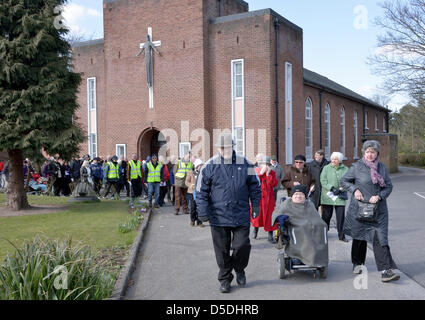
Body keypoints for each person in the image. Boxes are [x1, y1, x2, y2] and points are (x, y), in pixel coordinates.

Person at [196, 133, 261, 293]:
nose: (226, 149)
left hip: (241, 214)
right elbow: (201, 191)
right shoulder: (209, 165)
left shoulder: (246, 164)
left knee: (242, 245)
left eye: (229, 147)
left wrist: (257, 206)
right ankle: (225, 279)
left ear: (233, 147)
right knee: (222, 250)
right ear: (219, 148)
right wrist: (202, 211)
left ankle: (239, 269)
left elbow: (255, 187)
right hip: (218, 216)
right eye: (223, 147)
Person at [340, 140, 399, 282]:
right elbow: (344, 181)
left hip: (379, 210)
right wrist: (355, 190)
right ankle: (357, 263)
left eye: (373, 152)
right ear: (363, 153)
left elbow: (388, 187)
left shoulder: (382, 168)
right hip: (360, 208)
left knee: (380, 238)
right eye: (367, 151)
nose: (370, 154)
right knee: (359, 237)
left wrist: (379, 196)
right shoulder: (356, 167)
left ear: (377, 153)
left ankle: (386, 271)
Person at [271, 184, 329, 268]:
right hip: (295, 225)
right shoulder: (286, 204)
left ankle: (318, 256)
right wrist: (280, 217)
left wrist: (320, 225)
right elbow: (276, 214)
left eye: (301, 194)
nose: (298, 196)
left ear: (305, 196)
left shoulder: (309, 204)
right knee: (302, 229)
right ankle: (299, 256)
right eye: (296, 194)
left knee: (322, 227)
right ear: (292, 196)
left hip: (311, 225)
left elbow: (316, 217)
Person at [320, 152, 349, 242]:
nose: (333, 160)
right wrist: (331, 188)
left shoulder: (345, 169)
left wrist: (341, 189)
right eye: (332, 159)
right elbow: (323, 180)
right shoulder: (326, 168)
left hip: (340, 196)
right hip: (328, 196)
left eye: (335, 159)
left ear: (340, 160)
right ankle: (323, 234)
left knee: (340, 217)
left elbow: (348, 181)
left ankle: (341, 235)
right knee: (326, 216)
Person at [251, 155, 278, 243]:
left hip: (269, 199)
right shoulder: (255, 171)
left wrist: (268, 174)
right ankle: (255, 230)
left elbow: (274, 184)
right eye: (263, 164)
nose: (265, 166)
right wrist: (260, 173)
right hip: (258, 198)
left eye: (267, 164)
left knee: (270, 217)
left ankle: (270, 235)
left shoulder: (272, 172)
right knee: (257, 216)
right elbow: (253, 182)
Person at [185, 158, 204, 227]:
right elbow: (186, 182)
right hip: (191, 192)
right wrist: (191, 185)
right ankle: (192, 220)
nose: (201, 167)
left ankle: (199, 222)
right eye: (200, 165)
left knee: (199, 207)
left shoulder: (203, 173)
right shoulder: (190, 172)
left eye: (202, 165)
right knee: (193, 207)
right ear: (196, 166)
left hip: (200, 192)